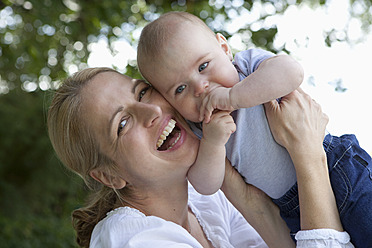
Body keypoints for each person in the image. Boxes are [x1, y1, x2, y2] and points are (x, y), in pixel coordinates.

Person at [137, 11, 372, 247]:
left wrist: (234, 96)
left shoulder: (246, 67)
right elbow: (205, 185)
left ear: (224, 48)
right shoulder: (200, 127)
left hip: (336, 168)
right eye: (180, 89)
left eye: (203, 66)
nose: (200, 87)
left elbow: (292, 72)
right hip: (289, 208)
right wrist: (213, 143)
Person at [47, 67, 353, 247]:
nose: (152, 111)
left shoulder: (204, 200)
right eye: (122, 124)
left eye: (141, 92)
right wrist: (309, 154)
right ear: (109, 176)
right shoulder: (133, 239)